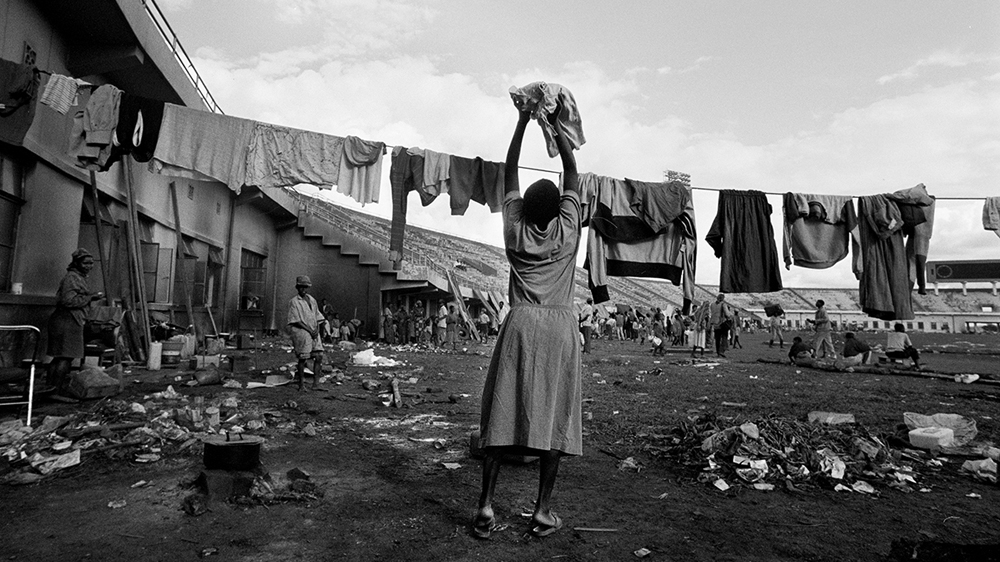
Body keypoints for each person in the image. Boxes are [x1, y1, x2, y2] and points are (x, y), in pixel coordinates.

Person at [474, 103, 581, 540]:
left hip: (519, 324)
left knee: (501, 415)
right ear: (559, 211)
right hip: (558, 328)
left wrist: (521, 122)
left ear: (522, 209)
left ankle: (484, 506)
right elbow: (572, 173)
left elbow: (510, 171)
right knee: (554, 416)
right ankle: (542, 510)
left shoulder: (513, 230)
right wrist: (556, 128)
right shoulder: (568, 231)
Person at [46, 248, 104, 391]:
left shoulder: (78, 277)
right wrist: (91, 297)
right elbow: (68, 301)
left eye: (91, 263)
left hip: (68, 320)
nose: (89, 266)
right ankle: (56, 390)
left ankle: (51, 389)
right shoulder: (72, 277)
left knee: (61, 356)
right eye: (85, 263)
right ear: (77, 263)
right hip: (67, 320)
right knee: (66, 356)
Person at [286, 275, 326, 391]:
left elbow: (318, 316)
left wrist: (316, 330)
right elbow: (296, 320)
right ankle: (301, 385)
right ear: (297, 287)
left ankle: (316, 384)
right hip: (302, 331)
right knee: (303, 358)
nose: (303, 289)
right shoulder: (294, 302)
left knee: (318, 356)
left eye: (305, 287)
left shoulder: (312, 299)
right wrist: (309, 330)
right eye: (301, 287)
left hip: (313, 330)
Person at [709, 293, 734, 358]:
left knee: (717, 339)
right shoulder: (723, 304)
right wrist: (730, 316)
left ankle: (718, 352)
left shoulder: (712, 305)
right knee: (724, 337)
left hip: (715, 323)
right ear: (722, 298)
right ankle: (722, 351)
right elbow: (727, 314)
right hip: (721, 323)